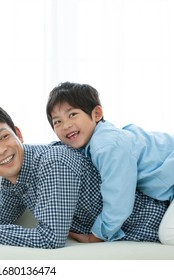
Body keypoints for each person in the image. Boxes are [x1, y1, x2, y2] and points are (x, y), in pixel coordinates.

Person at [0, 103, 168, 249]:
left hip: (159, 224)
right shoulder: (14, 179)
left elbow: (51, 238)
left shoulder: (53, 163)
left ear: (18, 134)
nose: (1, 150)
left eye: (4, 137)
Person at [46, 82, 174, 245]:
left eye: (72, 114)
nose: (66, 125)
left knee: (168, 234)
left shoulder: (107, 145)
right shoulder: (91, 144)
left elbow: (118, 199)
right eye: (57, 122)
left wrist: (98, 235)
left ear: (97, 114)